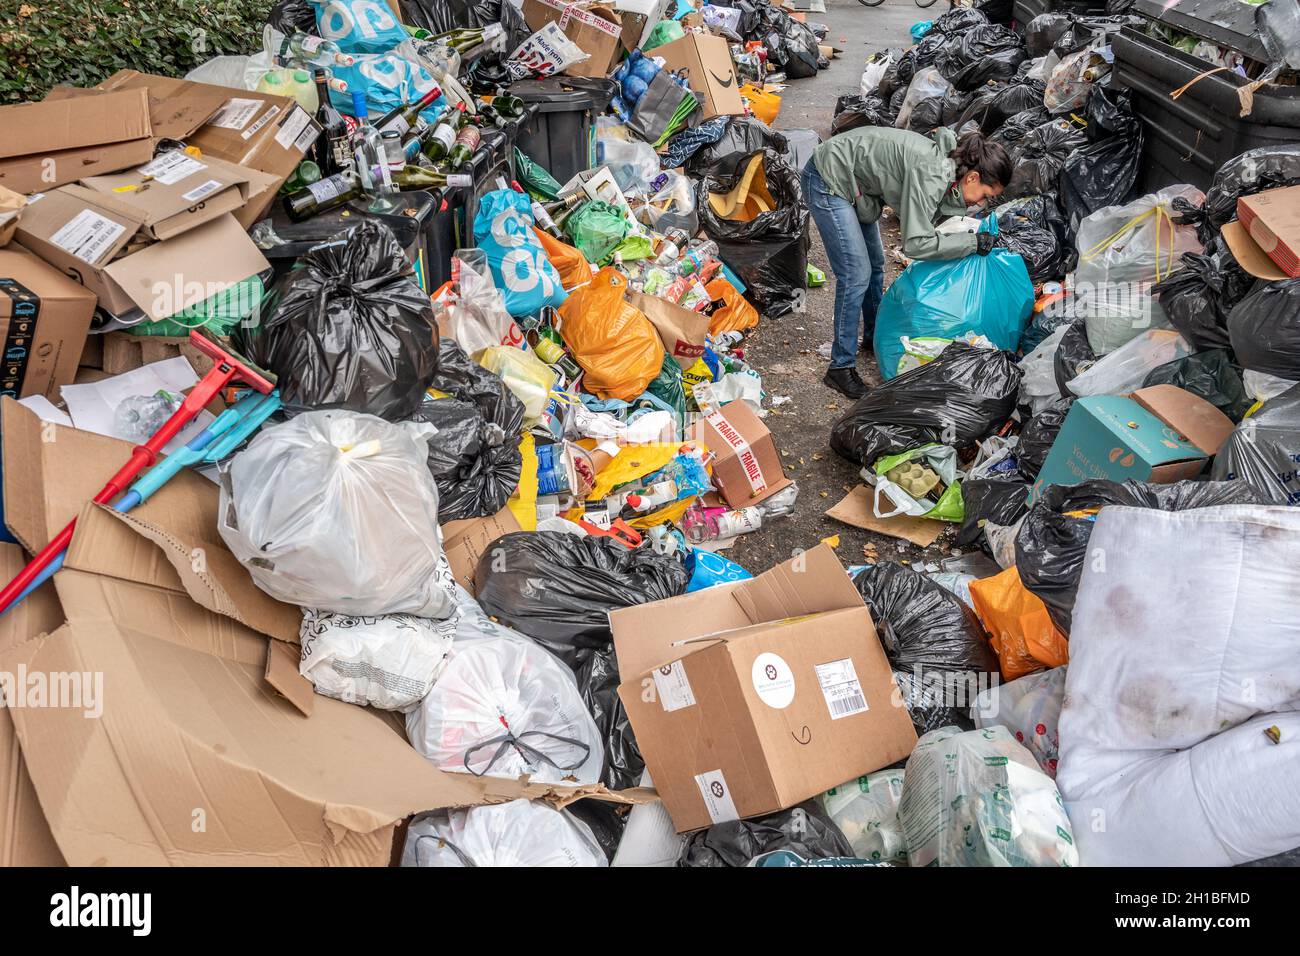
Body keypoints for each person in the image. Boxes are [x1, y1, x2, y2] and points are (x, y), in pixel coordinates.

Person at [802, 126, 1013, 399]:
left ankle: (873, 335)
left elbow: (932, 214)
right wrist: (971, 243)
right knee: (856, 274)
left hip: (858, 186)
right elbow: (916, 244)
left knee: (876, 264)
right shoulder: (934, 172)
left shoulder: (952, 169)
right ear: (972, 177)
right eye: (986, 194)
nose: (983, 203)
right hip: (829, 177)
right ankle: (840, 367)